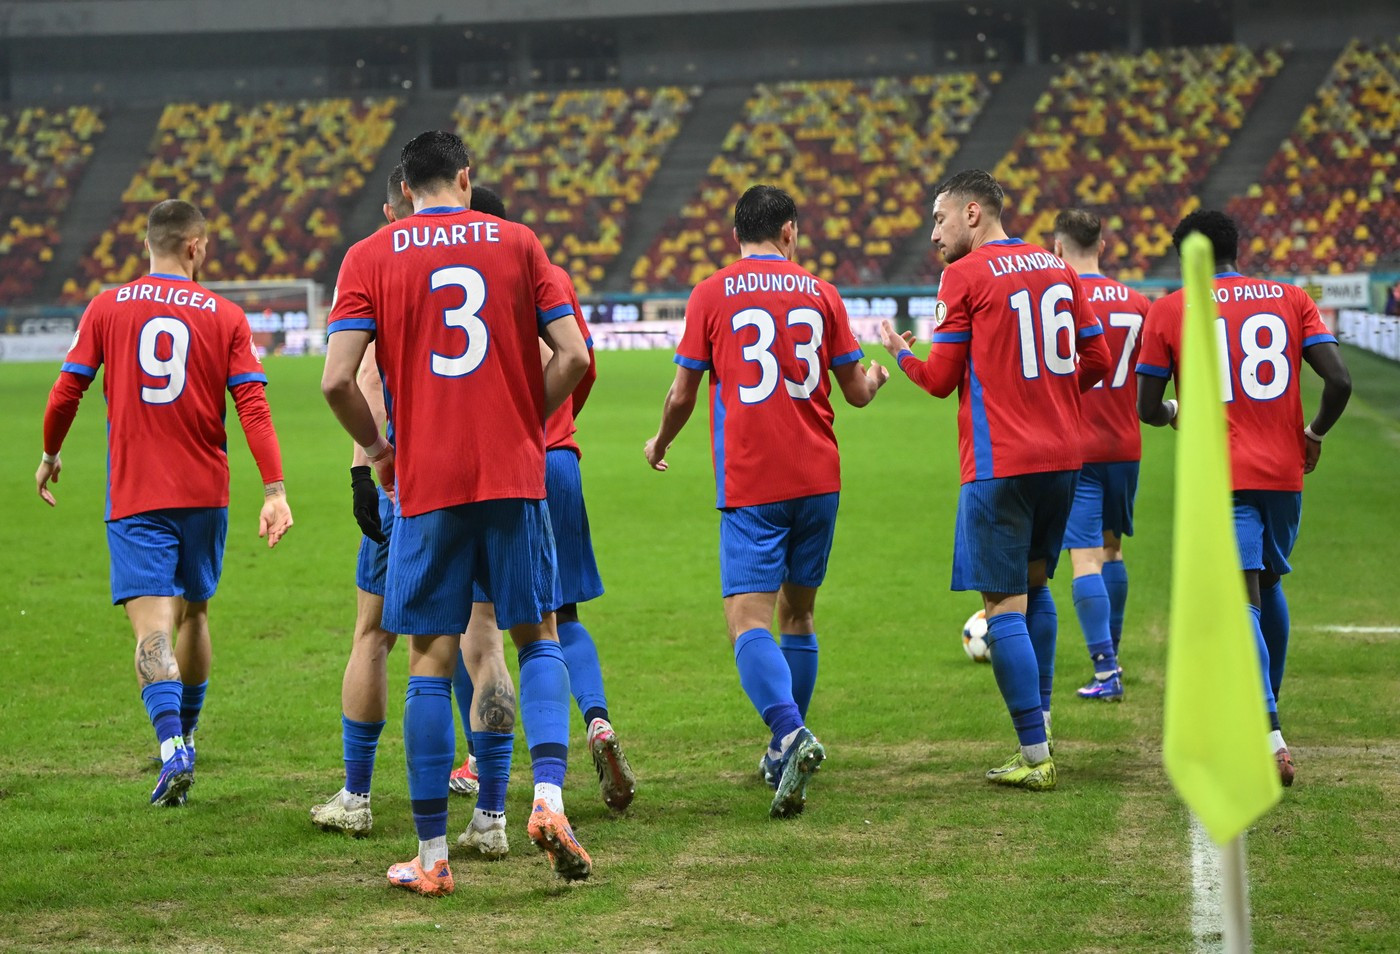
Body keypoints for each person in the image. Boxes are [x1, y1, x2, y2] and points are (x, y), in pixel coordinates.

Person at [322, 130, 592, 896]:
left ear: (406, 188)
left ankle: (433, 859)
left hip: (429, 480)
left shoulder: (371, 255)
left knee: (429, 659)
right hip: (513, 474)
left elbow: (338, 380)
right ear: (466, 178)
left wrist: (377, 451)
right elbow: (572, 357)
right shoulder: (518, 243)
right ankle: (544, 799)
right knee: (535, 637)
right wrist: (517, 418)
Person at [36, 199, 293, 807]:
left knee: (154, 628)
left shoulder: (106, 306)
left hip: (138, 495)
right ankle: (190, 732)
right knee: (197, 614)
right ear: (196, 247)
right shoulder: (226, 315)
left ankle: (173, 744)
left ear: (146, 243)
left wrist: (50, 453)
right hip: (206, 492)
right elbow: (252, 407)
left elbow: (67, 390)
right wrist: (275, 488)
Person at [645, 184, 888, 818]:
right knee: (799, 616)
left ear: (736, 236)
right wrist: (880, 377)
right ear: (788, 232)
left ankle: (787, 731)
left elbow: (681, 395)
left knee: (747, 621)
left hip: (754, 482)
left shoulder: (711, 293)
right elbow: (858, 392)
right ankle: (786, 748)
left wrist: (659, 441)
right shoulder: (823, 293)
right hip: (819, 477)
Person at [877, 170, 1110, 792]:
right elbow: (1099, 361)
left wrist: (898, 351)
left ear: (972, 213)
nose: (935, 234)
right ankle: (1046, 725)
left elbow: (937, 378)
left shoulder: (964, 275)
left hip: (1000, 463)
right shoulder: (1057, 267)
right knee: (1037, 588)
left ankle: (1034, 756)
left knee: (1001, 605)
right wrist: (1049, 400)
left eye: (939, 219)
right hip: (1063, 460)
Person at [309, 166, 495, 839]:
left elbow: (356, 379)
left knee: (377, 635)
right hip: (486, 476)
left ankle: (358, 797)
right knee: (481, 636)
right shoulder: (486, 252)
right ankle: (489, 799)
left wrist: (366, 467)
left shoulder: (381, 266)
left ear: (399, 206)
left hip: (406, 480)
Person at [1137, 209, 1351, 788]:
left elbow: (1146, 407)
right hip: (1285, 470)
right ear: (1237, 247)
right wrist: (1314, 434)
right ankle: (1266, 700)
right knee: (1269, 584)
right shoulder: (1290, 297)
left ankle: (1267, 731)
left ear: (1188, 257)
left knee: (1240, 596)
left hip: (1222, 474)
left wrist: (1175, 411)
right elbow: (1340, 381)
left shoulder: (1172, 307)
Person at [452, 185, 637, 816]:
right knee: (563, 617)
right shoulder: (547, 271)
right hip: (558, 459)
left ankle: (482, 762)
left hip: (491, 466)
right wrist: (554, 425)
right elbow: (580, 363)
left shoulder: (457, 267)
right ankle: (597, 721)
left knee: (471, 621)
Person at [1049, 209, 1152, 702]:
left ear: (1058, 248)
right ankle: (1114, 653)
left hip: (1078, 444)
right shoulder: (1138, 303)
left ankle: (1106, 669)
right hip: (1125, 444)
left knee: (1083, 557)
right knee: (1113, 548)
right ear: (1103, 246)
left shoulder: (1060, 298)